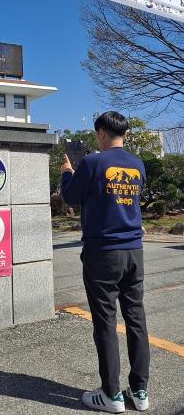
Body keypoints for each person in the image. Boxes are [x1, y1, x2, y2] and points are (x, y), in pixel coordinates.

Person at [60, 111, 150, 414]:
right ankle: (140, 391)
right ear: (123, 133)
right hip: (134, 251)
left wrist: (66, 172)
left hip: (102, 253)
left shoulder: (93, 162)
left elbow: (71, 196)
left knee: (106, 323)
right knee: (136, 319)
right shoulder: (138, 165)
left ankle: (111, 395)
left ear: (100, 133)